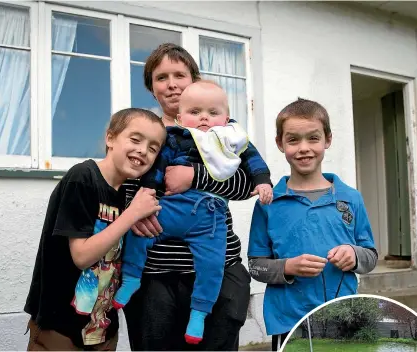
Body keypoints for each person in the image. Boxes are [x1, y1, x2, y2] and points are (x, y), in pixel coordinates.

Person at [121, 43, 258, 351]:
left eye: (180, 75)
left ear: (194, 80)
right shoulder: (144, 128)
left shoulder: (223, 131)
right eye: (161, 77)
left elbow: (245, 184)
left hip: (217, 272)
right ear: (151, 88)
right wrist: (133, 213)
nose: (171, 84)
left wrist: (193, 177)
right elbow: (128, 175)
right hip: (155, 275)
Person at [23, 108, 167, 351]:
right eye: (135, 139)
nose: (143, 150)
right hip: (60, 328)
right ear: (110, 138)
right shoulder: (83, 178)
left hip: (101, 328)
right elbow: (81, 256)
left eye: (153, 148)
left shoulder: (126, 194)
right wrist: (132, 214)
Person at [247, 98, 378, 351]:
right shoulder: (268, 203)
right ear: (280, 143)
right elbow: (255, 266)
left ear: (328, 139)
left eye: (313, 138)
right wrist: (288, 267)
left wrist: (354, 254)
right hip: (289, 321)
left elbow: (370, 256)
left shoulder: (351, 198)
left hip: (343, 317)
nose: (303, 148)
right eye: (293, 140)